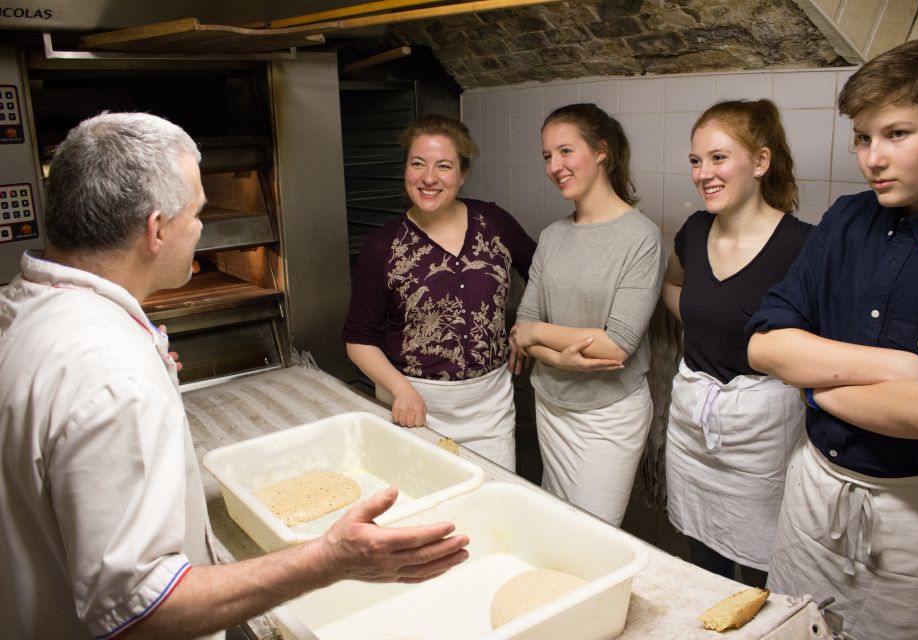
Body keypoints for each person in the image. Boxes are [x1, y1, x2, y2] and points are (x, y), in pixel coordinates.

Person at [0, 112, 469, 640]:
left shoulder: (25, 306)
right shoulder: (111, 373)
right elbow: (139, 611)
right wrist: (329, 560)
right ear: (156, 230)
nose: (201, 228)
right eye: (197, 213)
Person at [746, 38, 918, 640]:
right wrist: (898, 370)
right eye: (863, 139)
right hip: (813, 492)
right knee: (789, 628)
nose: (873, 158)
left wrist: (812, 384)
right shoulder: (845, 218)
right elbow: (765, 343)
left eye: (897, 134)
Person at [661, 99, 812, 588]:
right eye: (695, 161)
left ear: (761, 162)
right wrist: (710, 322)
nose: (703, 173)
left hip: (763, 437)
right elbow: (674, 285)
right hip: (693, 426)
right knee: (703, 562)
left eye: (719, 158)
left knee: (769, 565)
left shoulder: (804, 246)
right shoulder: (694, 230)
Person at [343, 114, 536, 471]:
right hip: (412, 406)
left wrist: (525, 327)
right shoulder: (382, 246)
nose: (429, 178)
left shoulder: (494, 223)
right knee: (425, 513)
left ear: (462, 175)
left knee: (492, 507)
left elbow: (541, 274)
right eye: (418, 164)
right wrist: (400, 390)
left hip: (489, 409)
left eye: (443, 166)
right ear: (405, 169)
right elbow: (358, 339)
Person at [510, 103, 665, 526]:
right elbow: (520, 322)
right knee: (556, 522)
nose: (554, 166)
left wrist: (537, 335)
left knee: (595, 533)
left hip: (608, 414)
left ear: (601, 152)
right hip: (551, 401)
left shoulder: (640, 237)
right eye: (547, 156)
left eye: (565, 151)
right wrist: (557, 356)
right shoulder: (553, 235)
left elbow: (617, 343)